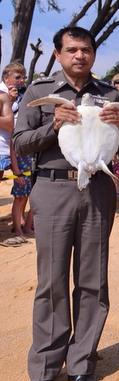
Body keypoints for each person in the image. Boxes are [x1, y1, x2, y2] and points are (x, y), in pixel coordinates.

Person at [14, 26, 119, 381]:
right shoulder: (39, 92)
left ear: (94, 55)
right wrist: (54, 124)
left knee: (93, 279)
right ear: (59, 54)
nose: (80, 55)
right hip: (53, 187)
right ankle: (45, 369)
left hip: (96, 188)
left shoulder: (109, 94)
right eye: (72, 49)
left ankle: (82, 364)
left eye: (86, 50)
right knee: (51, 279)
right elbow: (20, 144)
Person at [0, 62, 33, 245]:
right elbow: (10, 123)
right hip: (8, 149)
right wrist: (10, 101)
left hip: (9, 149)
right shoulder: (3, 94)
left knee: (24, 193)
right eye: (17, 77)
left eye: (23, 77)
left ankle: (20, 224)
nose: (21, 81)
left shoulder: (19, 95)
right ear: (6, 78)